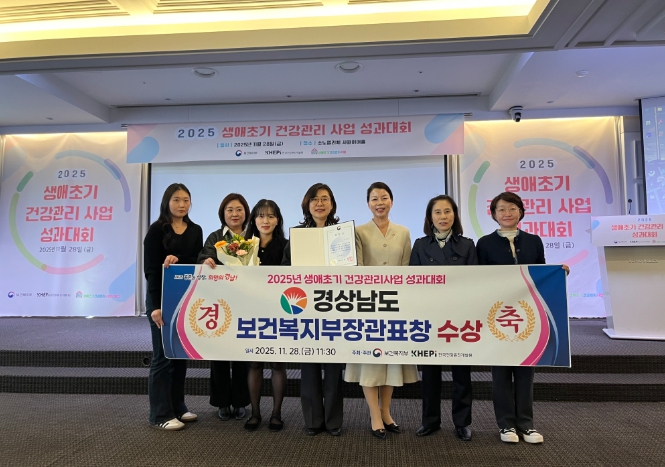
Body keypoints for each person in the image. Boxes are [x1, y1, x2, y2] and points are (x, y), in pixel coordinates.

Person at [476, 191, 569, 444]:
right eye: (501, 209)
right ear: (494, 214)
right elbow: (478, 280)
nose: (507, 213)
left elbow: (541, 273)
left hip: (529, 316)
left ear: (521, 212)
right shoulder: (484, 243)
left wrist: (557, 273)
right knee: (501, 371)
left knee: (526, 369)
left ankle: (526, 425)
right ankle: (506, 425)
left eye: (512, 208)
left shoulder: (534, 241)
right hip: (497, 315)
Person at [344, 182, 418, 440]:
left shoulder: (403, 232)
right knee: (370, 362)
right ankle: (374, 414)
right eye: (374, 198)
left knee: (391, 361)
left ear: (391, 201)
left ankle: (386, 412)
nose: (379, 203)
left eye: (384, 197)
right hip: (369, 305)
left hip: (395, 306)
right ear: (368, 204)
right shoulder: (358, 232)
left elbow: (407, 270)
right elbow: (357, 269)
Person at [409, 195, 477, 441]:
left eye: (447, 211)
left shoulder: (467, 245)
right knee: (430, 374)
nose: (443, 217)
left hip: (459, 318)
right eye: (437, 212)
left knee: (461, 374)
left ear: (454, 215)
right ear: (430, 217)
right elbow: (412, 282)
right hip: (430, 317)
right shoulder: (420, 245)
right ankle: (430, 421)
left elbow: (476, 282)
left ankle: (462, 422)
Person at [282, 183, 344, 436]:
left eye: (325, 199)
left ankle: (333, 421)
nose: (320, 203)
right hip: (305, 308)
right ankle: (312, 420)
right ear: (307, 205)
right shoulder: (297, 235)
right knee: (308, 368)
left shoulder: (342, 234)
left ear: (332, 204)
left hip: (334, 307)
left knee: (334, 369)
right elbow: (286, 269)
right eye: (315, 199)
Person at [143, 183, 203, 430]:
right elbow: (151, 271)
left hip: (185, 299)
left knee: (179, 355)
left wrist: (181, 260)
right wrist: (155, 307)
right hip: (161, 301)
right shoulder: (157, 230)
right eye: (176, 200)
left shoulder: (196, 230)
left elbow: (196, 261)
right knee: (162, 357)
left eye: (186, 200)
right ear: (167, 202)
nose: (181, 204)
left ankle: (178, 406)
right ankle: (160, 414)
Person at [197, 193, 251, 421]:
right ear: (223, 213)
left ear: (246, 213)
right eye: (230, 210)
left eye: (239, 209)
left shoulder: (253, 236)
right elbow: (204, 257)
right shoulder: (215, 236)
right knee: (218, 353)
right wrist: (206, 261)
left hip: (246, 301)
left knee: (241, 354)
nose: (234, 214)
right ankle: (221, 402)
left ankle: (240, 401)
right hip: (219, 302)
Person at [242, 199, 288, 432]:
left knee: (278, 363)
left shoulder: (287, 246)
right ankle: (255, 413)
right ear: (254, 220)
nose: (265, 220)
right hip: (252, 310)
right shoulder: (243, 247)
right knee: (255, 362)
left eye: (271, 216)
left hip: (278, 310)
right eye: (260, 215)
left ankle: (276, 414)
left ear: (277, 220)